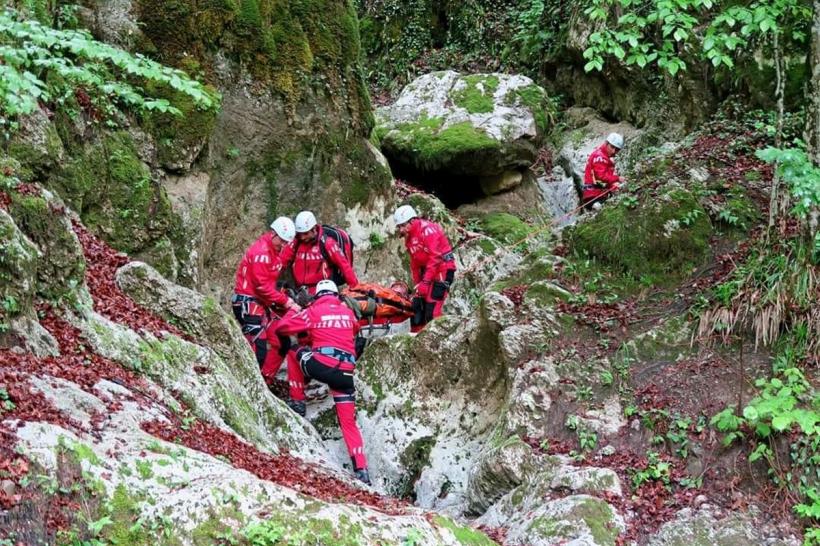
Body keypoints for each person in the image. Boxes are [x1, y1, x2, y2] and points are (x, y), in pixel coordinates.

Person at [275, 280, 371, 485]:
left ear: (317, 296)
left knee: (293, 352)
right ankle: (362, 469)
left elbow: (282, 327)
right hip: (345, 374)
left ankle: (298, 401)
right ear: (337, 295)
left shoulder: (313, 311)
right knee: (348, 423)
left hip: (321, 364)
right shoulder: (348, 313)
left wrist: (295, 308)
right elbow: (352, 329)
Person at [232, 217, 300, 379]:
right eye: (282, 242)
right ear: (273, 233)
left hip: (261, 303)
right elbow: (261, 286)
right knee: (258, 349)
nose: (283, 246)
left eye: (286, 243)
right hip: (248, 302)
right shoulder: (261, 253)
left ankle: (265, 380)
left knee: (282, 343)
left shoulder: (275, 251)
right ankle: (249, 384)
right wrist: (286, 302)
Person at [393, 205, 457, 332]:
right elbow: (414, 263)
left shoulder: (427, 230)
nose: (401, 229)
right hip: (428, 271)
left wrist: (426, 282)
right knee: (417, 308)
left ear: (412, 221)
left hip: (442, 269)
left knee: (432, 310)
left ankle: (438, 340)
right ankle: (418, 339)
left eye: (402, 225)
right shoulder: (409, 237)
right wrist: (418, 283)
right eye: (399, 226)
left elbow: (436, 257)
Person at [278, 211, 359, 296]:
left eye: (305, 233)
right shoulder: (296, 242)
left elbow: (345, 266)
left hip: (322, 292)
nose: (302, 237)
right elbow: (281, 261)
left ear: (314, 229)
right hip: (300, 291)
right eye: (300, 234)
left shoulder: (327, 243)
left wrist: (356, 289)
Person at [582, 132, 626, 211]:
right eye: (612, 147)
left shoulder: (602, 156)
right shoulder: (600, 156)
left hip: (596, 194)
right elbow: (601, 176)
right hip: (594, 196)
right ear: (606, 143)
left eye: (617, 149)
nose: (613, 151)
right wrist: (617, 178)